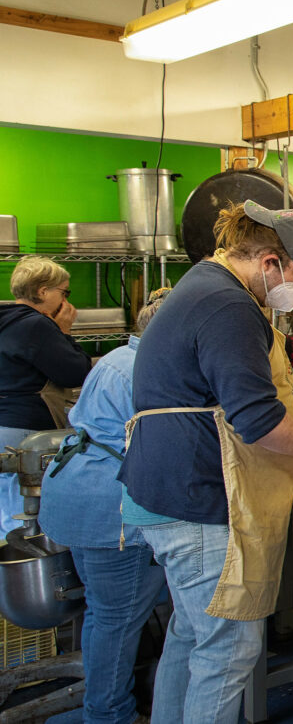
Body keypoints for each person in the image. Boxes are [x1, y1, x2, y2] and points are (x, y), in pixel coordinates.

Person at [117, 201, 293, 724]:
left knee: (191, 635)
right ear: (269, 261)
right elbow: (256, 418)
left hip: (168, 492)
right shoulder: (228, 304)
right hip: (200, 496)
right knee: (228, 650)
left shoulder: (203, 286)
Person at [39, 288, 172, 724]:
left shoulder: (118, 357)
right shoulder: (149, 370)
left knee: (105, 613)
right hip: (108, 507)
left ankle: (106, 706)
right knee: (117, 618)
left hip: (77, 491)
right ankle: (109, 714)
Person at [0, 256, 92, 534]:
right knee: (25, 514)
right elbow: (75, 372)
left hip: (3, 427)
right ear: (43, 292)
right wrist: (64, 331)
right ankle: (26, 571)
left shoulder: (5, 319)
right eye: (64, 292)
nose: (66, 301)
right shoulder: (37, 325)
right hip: (25, 431)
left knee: (5, 510)